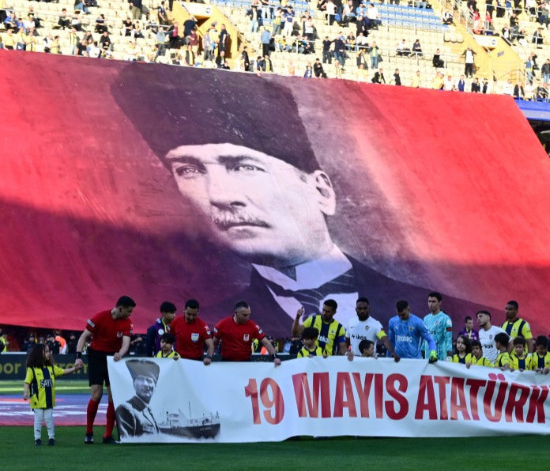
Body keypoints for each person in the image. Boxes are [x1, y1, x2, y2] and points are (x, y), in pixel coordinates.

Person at [115, 64, 430, 333]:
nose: (220, 196)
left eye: (244, 167)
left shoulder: (437, 311)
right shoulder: (214, 321)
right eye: (189, 170)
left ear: (321, 191)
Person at [75, 295, 136, 444]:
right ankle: (89, 432)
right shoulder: (100, 317)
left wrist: (120, 354)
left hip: (113, 359)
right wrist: (78, 356)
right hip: (96, 356)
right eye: (128, 311)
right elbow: (84, 336)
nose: (130, 315)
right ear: (120, 308)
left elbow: (126, 343)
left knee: (112, 396)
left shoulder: (127, 323)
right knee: (96, 394)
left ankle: (107, 435)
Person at [24, 343, 83, 446]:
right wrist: (25, 393)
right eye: (46, 351)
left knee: (49, 418)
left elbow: (63, 371)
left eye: (48, 351)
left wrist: (74, 368)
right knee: (38, 418)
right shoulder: (32, 369)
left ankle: (51, 438)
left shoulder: (51, 368)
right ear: (39, 354)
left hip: (49, 400)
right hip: (37, 400)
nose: (49, 353)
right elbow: (27, 382)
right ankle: (37, 438)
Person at [214, 302, 281, 364]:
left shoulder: (253, 326)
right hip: (226, 362)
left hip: (245, 363)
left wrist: (275, 357)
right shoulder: (223, 324)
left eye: (249, 315)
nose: (247, 317)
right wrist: (208, 357)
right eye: (244, 315)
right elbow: (214, 343)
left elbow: (266, 342)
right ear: (236, 313)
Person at [115, 359, 161, 438]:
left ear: (155, 386)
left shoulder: (148, 410)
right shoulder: (126, 409)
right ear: (134, 384)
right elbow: (127, 440)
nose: (145, 384)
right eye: (140, 379)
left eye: (149, 380)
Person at [171, 299, 215, 363]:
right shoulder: (176, 322)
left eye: (194, 315)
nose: (191, 317)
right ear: (184, 310)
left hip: (196, 361)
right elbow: (168, 339)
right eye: (188, 314)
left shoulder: (203, 325)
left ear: (198, 312)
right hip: (179, 360)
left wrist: (208, 357)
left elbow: (210, 345)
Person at [424, 292, 453, 362]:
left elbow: (448, 338)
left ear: (439, 303)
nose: (431, 304)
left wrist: (449, 355)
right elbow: (424, 336)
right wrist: (422, 349)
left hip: (440, 356)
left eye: (433, 302)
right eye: (429, 301)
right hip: (427, 355)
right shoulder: (426, 318)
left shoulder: (445, 319)